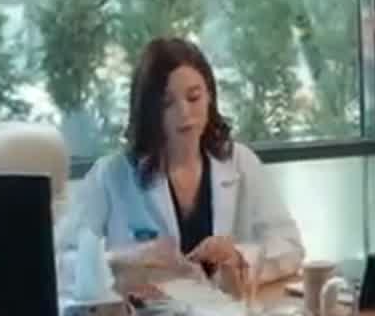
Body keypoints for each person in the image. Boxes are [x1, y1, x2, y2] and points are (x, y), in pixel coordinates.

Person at [57, 37, 305, 295]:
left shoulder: (240, 163)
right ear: (149, 111)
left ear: (210, 96)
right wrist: (124, 260)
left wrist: (238, 257)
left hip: (227, 315)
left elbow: (290, 246)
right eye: (167, 104)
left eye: (194, 98)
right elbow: (59, 264)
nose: (184, 113)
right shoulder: (111, 176)